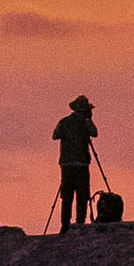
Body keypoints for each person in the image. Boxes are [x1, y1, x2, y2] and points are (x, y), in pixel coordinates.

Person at [53, 95, 98, 232]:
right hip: (81, 163)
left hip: (66, 163)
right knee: (82, 194)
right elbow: (94, 133)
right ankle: (80, 223)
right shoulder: (85, 123)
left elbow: (55, 135)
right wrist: (89, 120)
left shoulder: (64, 121)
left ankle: (65, 225)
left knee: (67, 196)